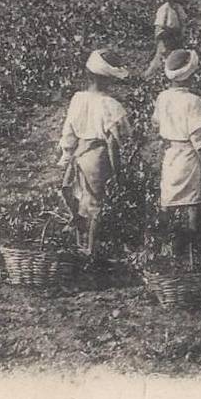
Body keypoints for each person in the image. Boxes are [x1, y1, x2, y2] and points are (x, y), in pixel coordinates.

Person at [58, 50, 131, 259]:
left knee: (81, 198)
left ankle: (80, 242)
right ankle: (91, 251)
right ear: (109, 80)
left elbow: (68, 131)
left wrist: (67, 154)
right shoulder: (110, 105)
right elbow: (113, 142)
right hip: (98, 155)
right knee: (97, 204)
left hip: (80, 153)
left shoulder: (78, 99)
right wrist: (118, 171)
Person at [152, 49, 201, 260]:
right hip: (188, 156)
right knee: (192, 204)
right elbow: (200, 141)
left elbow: (157, 125)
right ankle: (191, 252)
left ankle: (168, 250)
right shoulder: (193, 101)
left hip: (170, 155)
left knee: (168, 203)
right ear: (191, 75)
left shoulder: (163, 97)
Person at [144, 0, 188, 77]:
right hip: (167, 36)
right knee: (162, 57)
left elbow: (183, 22)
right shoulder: (163, 9)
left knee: (175, 58)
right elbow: (159, 27)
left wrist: (182, 34)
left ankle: (171, 76)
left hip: (177, 36)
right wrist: (161, 41)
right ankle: (149, 76)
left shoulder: (178, 7)